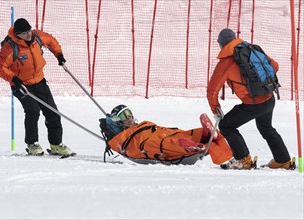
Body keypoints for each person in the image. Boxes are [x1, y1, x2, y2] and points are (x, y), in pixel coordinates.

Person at [207, 28, 294, 170]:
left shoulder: (226, 62)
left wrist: (215, 109)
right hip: (269, 98)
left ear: (221, 44)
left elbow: (212, 91)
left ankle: (243, 160)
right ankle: (283, 161)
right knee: (266, 128)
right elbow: (275, 66)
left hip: (254, 104)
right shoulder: (251, 50)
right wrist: (259, 83)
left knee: (226, 125)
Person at [0, 18, 75, 156]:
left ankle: (56, 144)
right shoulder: (10, 47)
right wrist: (13, 78)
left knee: (53, 112)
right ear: (18, 34)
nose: (28, 34)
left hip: (39, 81)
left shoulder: (37, 36)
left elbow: (51, 41)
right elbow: (0, 67)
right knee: (33, 111)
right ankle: (32, 143)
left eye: (29, 31)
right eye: (24, 33)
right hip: (21, 85)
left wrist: (59, 55)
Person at [100, 104, 233, 165]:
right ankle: (193, 146)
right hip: (141, 143)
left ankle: (203, 135)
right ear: (117, 121)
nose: (129, 117)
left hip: (153, 131)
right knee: (163, 145)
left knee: (176, 134)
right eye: (124, 116)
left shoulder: (138, 124)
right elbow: (124, 145)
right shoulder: (119, 138)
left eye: (129, 113)